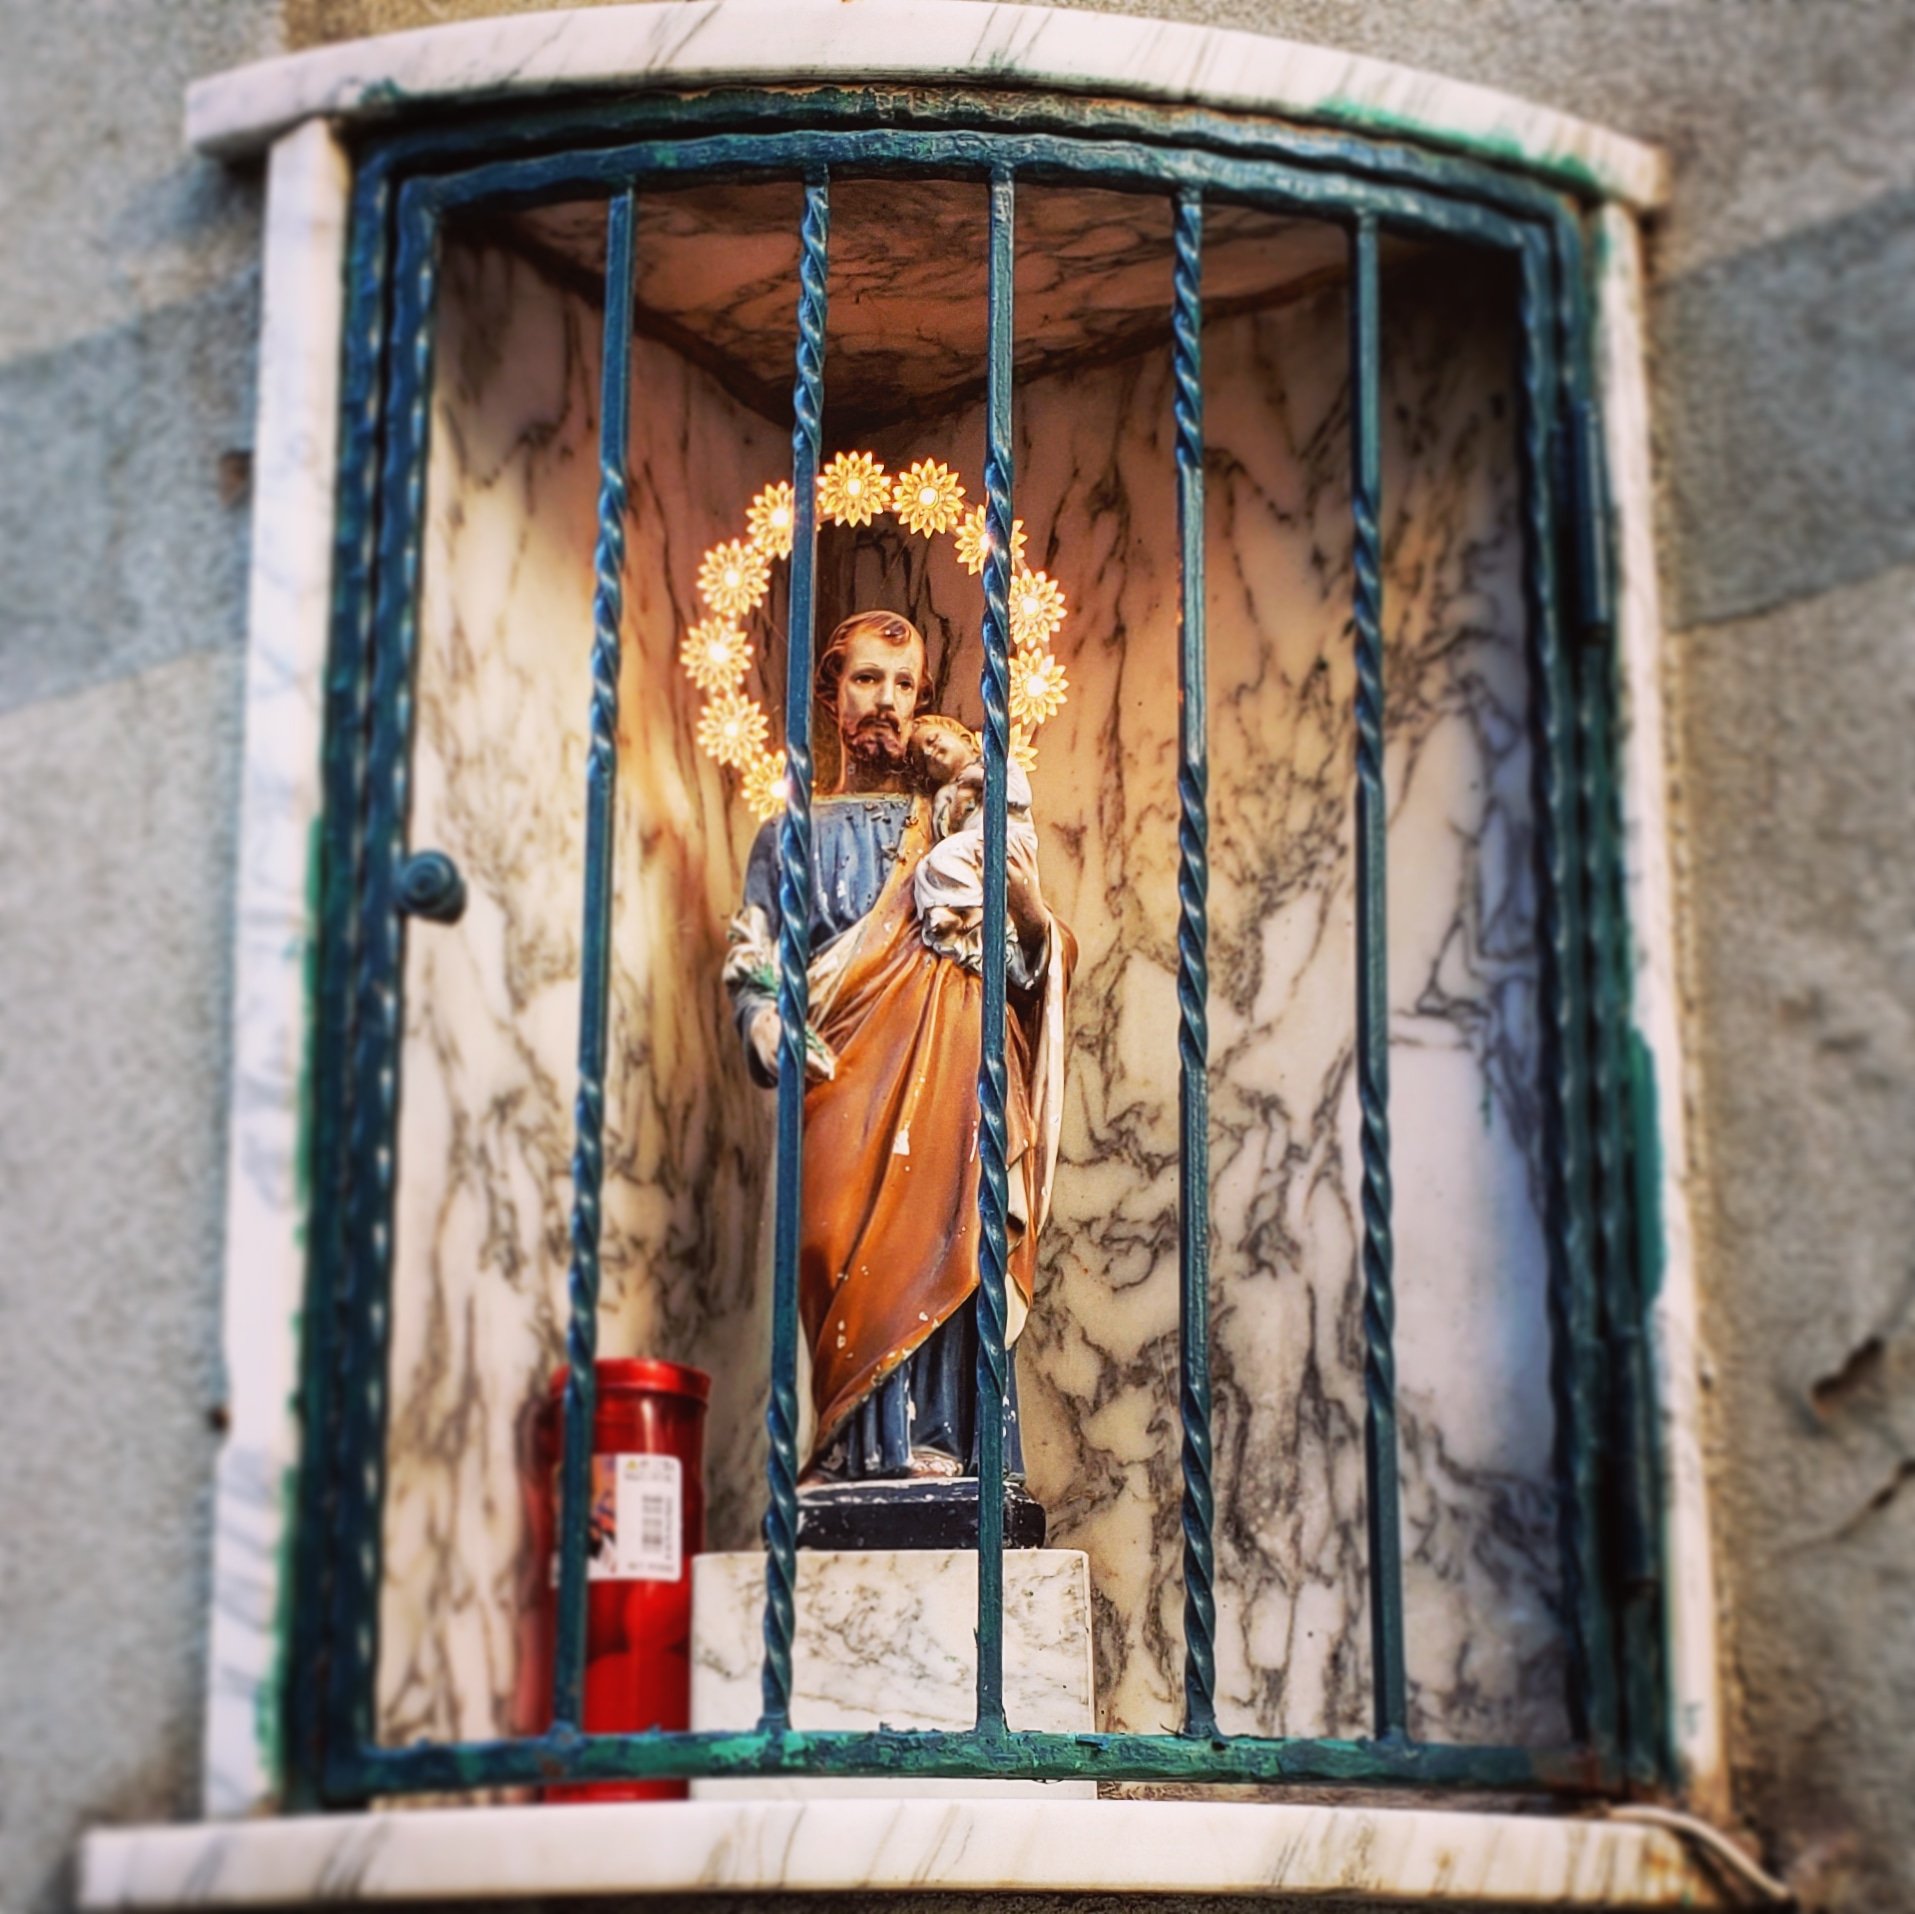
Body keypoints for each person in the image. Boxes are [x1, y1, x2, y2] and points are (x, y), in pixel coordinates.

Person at [722, 610, 1074, 1483]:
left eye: (903, 684)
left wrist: (1026, 908)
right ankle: (852, 1452)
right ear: (829, 689)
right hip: (841, 1080)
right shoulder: (793, 835)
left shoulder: (962, 819)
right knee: (838, 1247)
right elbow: (753, 956)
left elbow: (1030, 967)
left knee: (950, 1245)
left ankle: (949, 1448)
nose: (885, 701)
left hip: (953, 1078)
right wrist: (767, 1020)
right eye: (867, 680)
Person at [906, 712, 1040, 973]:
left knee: (944, 857)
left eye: (933, 741)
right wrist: (953, 808)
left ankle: (977, 908)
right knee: (926, 867)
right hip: (970, 850)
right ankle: (949, 916)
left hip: (1007, 841)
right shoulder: (945, 794)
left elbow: (1020, 796)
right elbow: (942, 832)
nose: (930, 752)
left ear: (965, 739)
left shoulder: (996, 765)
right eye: (924, 759)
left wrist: (982, 778)